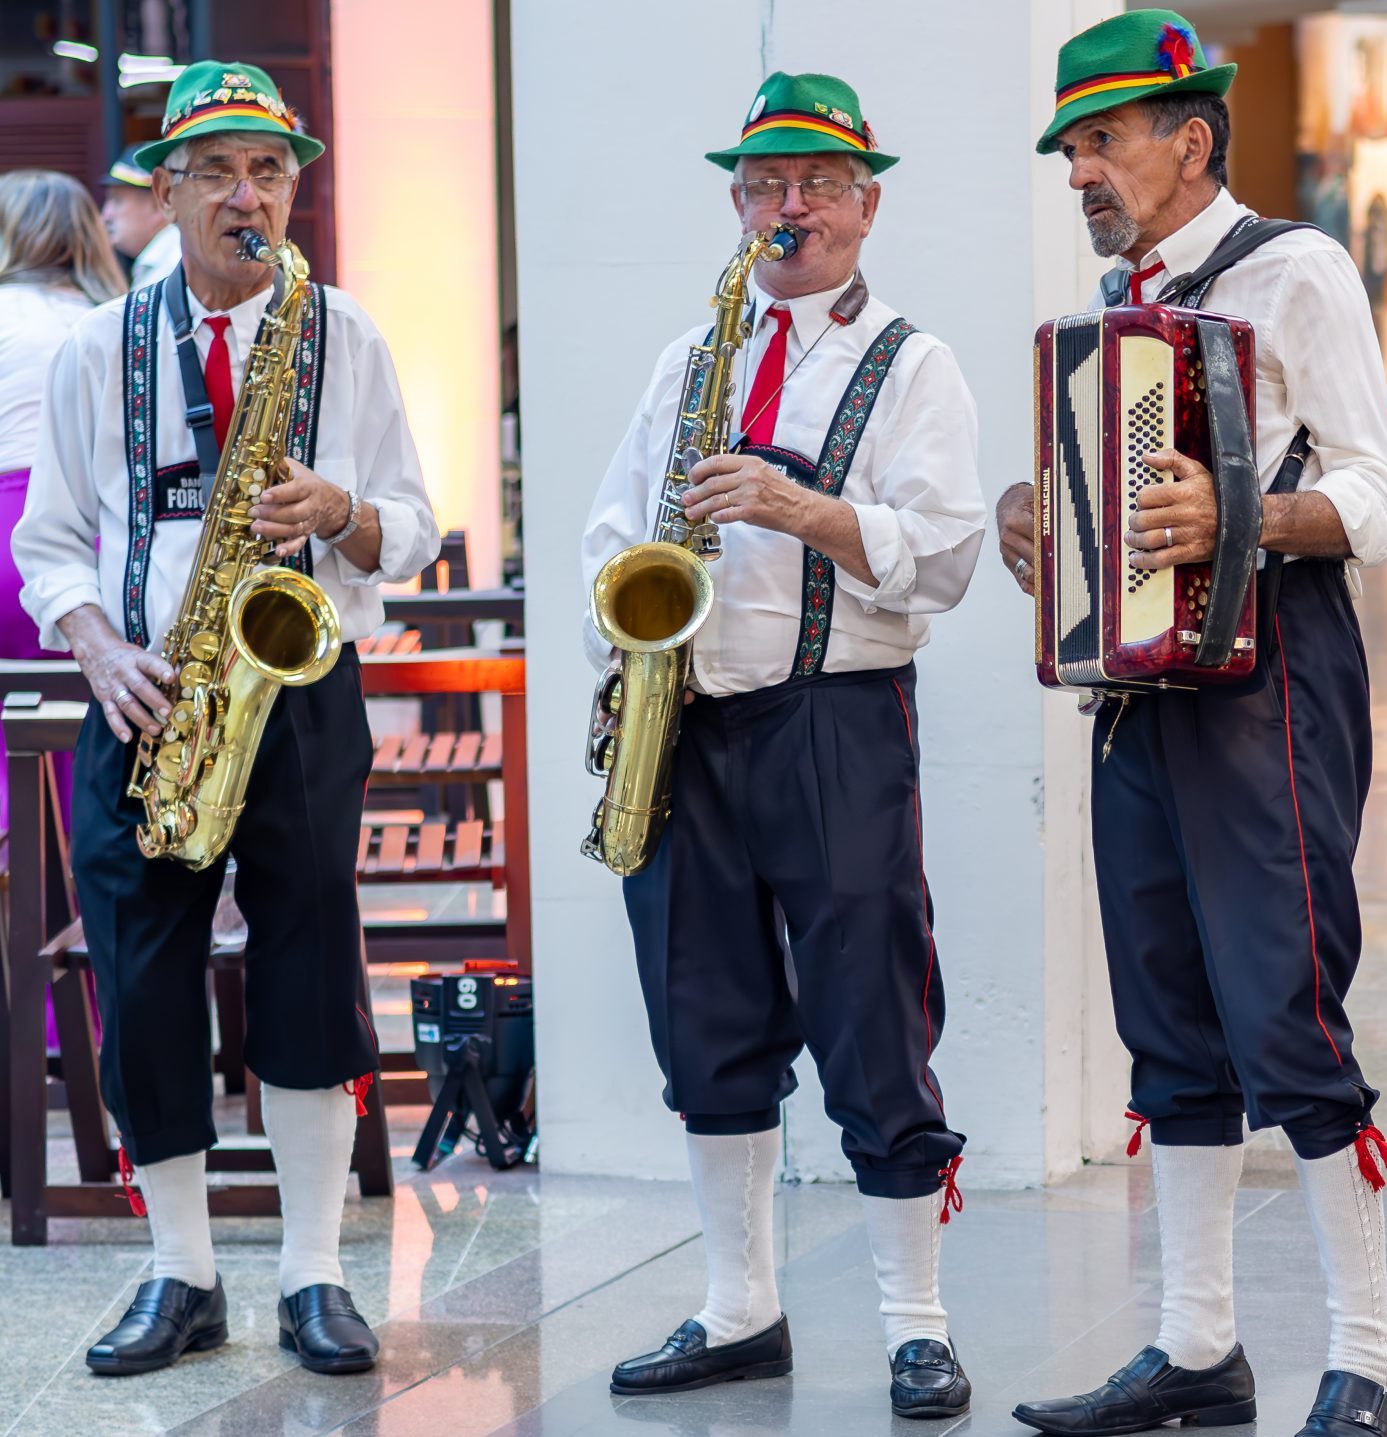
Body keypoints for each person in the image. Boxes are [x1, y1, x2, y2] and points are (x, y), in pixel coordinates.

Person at [994, 12, 1387, 1436]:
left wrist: (1238, 512)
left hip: (1276, 678)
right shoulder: (1116, 305)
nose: (1080, 172)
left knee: (1285, 1010)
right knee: (1168, 1023)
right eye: (1072, 146)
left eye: (1102, 140)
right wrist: (1035, 525)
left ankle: (1372, 1358)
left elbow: (1379, 499)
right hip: (1138, 702)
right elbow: (1105, 521)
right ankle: (1197, 1349)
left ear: (1192, 139)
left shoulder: (1295, 272)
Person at [13, 60, 440, 1378]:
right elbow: (53, 541)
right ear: (170, 191)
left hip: (301, 694)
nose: (246, 196)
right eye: (217, 171)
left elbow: (411, 527)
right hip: (146, 691)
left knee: (311, 964)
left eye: (269, 171)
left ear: (294, 190)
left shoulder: (344, 335)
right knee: (143, 975)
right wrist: (96, 643)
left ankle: (315, 1271)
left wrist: (344, 516)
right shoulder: (100, 345)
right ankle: (180, 1269)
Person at [581, 72, 985, 1420]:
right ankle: (738, 1306)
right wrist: (626, 655)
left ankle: (915, 1324)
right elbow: (610, 534)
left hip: (836, 719)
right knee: (706, 1021)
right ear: (737, 203)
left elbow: (945, 563)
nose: (788, 205)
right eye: (763, 184)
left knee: (874, 1017)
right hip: (686, 723)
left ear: (867, 203)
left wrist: (805, 510)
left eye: (815, 181)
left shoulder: (915, 362)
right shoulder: (688, 356)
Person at [0, 169, 125, 836]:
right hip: (89, 537)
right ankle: (86, 900)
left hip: (3, 524)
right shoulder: (112, 321)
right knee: (92, 721)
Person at [98, 146, 179, 289]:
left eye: (117, 201)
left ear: (159, 204)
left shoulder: (174, 267)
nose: (105, 215)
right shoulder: (160, 261)